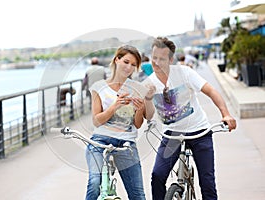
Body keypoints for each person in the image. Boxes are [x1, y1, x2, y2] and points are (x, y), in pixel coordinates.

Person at [142, 37, 237, 200]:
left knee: (207, 183)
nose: (156, 63)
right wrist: (148, 98)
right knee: (157, 176)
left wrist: (225, 113)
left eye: (162, 59)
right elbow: (148, 115)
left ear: (171, 60)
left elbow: (211, 91)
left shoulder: (185, 73)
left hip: (199, 132)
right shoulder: (149, 83)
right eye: (154, 58)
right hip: (172, 136)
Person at [86, 45, 152, 200]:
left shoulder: (137, 88)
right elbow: (96, 121)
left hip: (126, 143)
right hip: (100, 141)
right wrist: (115, 106)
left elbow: (137, 124)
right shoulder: (98, 87)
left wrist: (141, 108)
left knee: (138, 195)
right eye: (126, 62)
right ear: (117, 60)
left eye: (133, 65)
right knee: (95, 183)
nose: (129, 67)